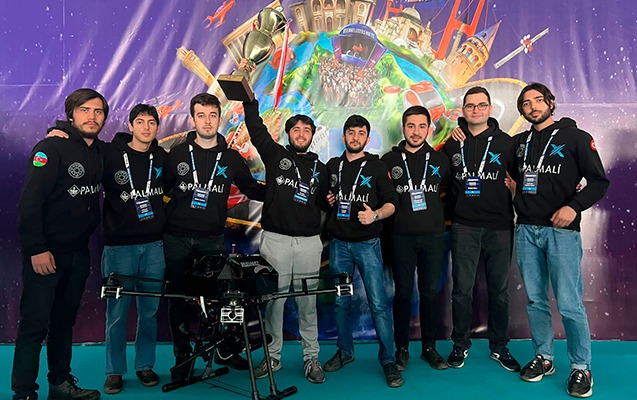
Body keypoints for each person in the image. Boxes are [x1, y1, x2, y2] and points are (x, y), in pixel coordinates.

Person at [513, 83, 609, 398]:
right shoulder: (520, 143)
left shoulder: (576, 138)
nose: (532, 106)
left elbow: (599, 181)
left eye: (538, 100)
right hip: (526, 230)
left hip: (561, 232)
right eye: (526, 103)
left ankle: (581, 367)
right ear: (522, 110)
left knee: (568, 302)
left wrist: (574, 206)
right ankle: (544, 357)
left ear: (551, 103)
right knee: (535, 300)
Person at [162, 92, 265, 381]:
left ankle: (224, 350)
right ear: (192, 119)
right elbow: (161, 189)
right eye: (201, 115)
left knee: (223, 299)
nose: (207, 121)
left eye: (212, 115)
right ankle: (183, 357)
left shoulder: (231, 158)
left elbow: (252, 188)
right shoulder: (177, 155)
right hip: (177, 238)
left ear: (219, 118)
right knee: (179, 298)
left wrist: (282, 193)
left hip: (211, 239)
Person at [12, 88, 107, 400]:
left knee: (64, 323)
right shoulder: (50, 148)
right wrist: (37, 249)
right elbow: (29, 205)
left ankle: (60, 384)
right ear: (71, 115)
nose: (92, 117)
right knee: (34, 326)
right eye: (84, 110)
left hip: (78, 255)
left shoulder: (100, 152)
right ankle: (24, 392)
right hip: (45, 254)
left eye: (98, 111)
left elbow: (133, 146)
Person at [242, 96, 329, 383]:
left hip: (309, 243)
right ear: (288, 134)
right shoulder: (275, 155)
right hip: (276, 240)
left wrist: (330, 200)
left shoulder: (321, 169)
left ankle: (311, 357)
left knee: (307, 303)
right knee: (274, 303)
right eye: (296, 130)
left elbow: (323, 203)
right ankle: (273, 357)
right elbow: (256, 130)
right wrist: (250, 103)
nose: (301, 134)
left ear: (312, 136)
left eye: (306, 130)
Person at [441, 86, 521, 372]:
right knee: (462, 289)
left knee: (499, 290)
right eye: (470, 106)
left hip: (499, 226)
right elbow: (442, 183)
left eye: (481, 105)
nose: (476, 110)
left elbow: (524, 178)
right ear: (463, 110)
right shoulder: (453, 143)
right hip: (464, 226)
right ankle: (460, 344)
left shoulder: (506, 143)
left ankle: (499, 346)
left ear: (490, 108)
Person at [323, 115, 403, 388]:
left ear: (367, 139)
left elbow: (392, 202)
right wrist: (329, 199)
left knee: (378, 304)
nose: (355, 137)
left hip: (367, 244)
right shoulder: (333, 166)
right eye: (351, 132)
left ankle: (389, 360)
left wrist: (375, 215)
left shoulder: (377, 167)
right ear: (343, 136)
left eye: (360, 133)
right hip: (339, 246)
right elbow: (326, 197)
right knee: (341, 302)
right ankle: (345, 352)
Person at [100, 104, 167, 394]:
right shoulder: (109, 154)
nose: (146, 127)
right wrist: (60, 132)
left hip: (154, 245)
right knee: (117, 312)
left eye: (151, 122)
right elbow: (80, 148)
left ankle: (145, 365)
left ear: (157, 127)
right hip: (119, 247)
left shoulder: (161, 157)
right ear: (130, 125)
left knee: (149, 311)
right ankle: (114, 371)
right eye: (140, 122)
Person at [380, 106, 450, 371]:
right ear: (403, 128)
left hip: (433, 237)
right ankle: (401, 348)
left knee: (430, 293)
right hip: (400, 237)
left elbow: (452, 193)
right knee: (403, 293)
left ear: (429, 129)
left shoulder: (440, 160)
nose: (416, 131)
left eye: (422, 126)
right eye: (411, 126)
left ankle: (429, 348)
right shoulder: (389, 160)